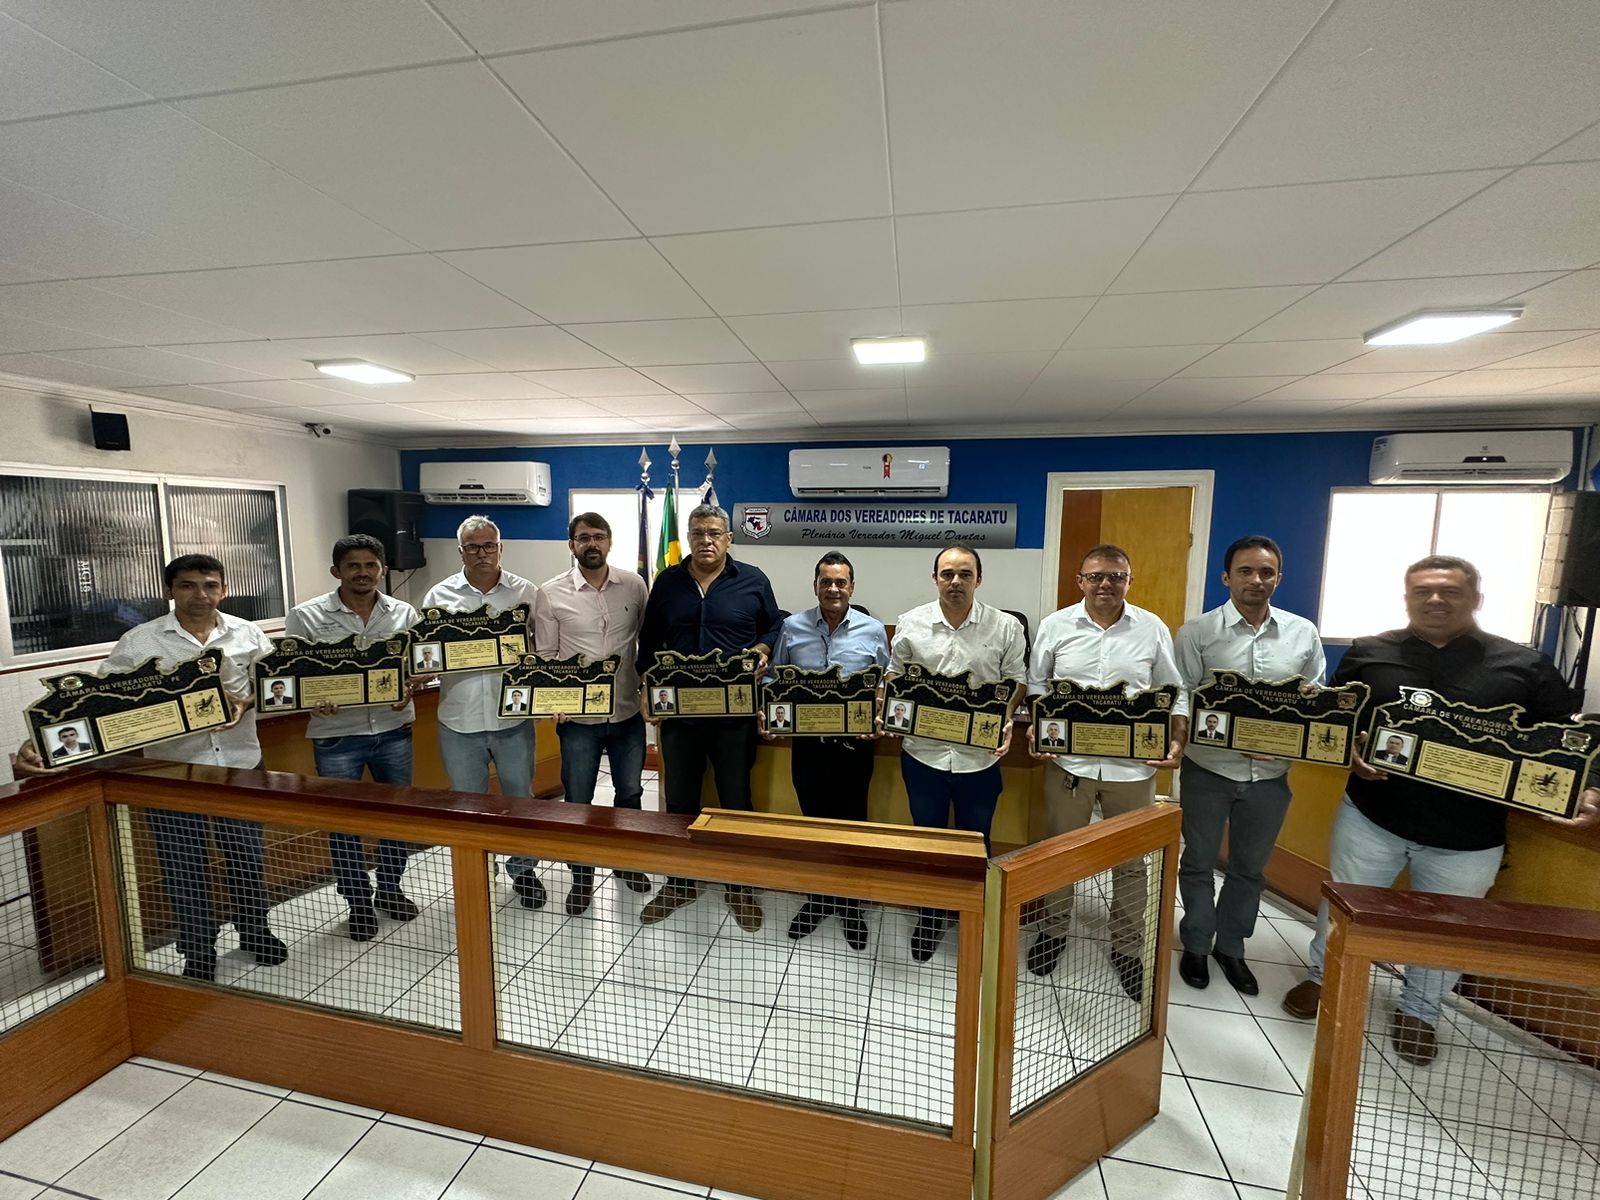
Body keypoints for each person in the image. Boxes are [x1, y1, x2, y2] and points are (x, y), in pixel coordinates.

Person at [1280, 556, 1600, 1066]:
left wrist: (1591, 787)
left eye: (1449, 591)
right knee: (1343, 903)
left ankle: (1421, 1011)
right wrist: (1351, 752)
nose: (1435, 600)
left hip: (1469, 834)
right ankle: (1324, 977)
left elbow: (1573, 738)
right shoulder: (1369, 652)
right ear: (1407, 598)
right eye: (1422, 591)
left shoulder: (1524, 666)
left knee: (1446, 927)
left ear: (1476, 599)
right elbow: (1340, 719)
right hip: (1372, 816)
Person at [14, 555, 287, 983]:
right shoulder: (140, 642)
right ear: (169, 591)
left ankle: (255, 932)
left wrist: (247, 701)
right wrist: (41, 741)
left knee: (246, 858)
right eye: (187, 585)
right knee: (183, 868)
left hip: (241, 764)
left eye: (209, 585)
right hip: (172, 774)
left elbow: (274, 681)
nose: (200, 595)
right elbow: (99, 703)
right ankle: (198, 950)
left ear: (224, 589)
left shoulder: (248, 633)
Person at [1025, 544, 1187, 998]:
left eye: (1116, 576)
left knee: (1132, 863)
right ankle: (1054, 930)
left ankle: (1127, 947)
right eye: (1096, 576)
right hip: (1069, 765)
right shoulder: (1056, 626)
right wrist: (1040, 728)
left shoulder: (1152, 628)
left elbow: (1173, 691)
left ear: (1129, 581)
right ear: (1080, 581)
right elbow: (1037, 686)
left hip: (1132, 770)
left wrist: (1178, 738)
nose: (1105, 584)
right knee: (1059, 853)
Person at [1174, 535, 1324, 996]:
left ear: (1278, 578)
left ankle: (1232, 947)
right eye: (1245, 571)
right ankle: (1196, 943)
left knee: (1249, 869)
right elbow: (1182, 694)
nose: (1255, 580)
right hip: (1208, 769)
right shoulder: (1197, 633)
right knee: (1198, 862)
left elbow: (1314, 701)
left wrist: (1285, 743)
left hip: (1271, 777)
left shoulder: (1303, 634)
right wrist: (1181, 737)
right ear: (1227, 577)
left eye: (1266, 572)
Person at [635, 504, 782, 931]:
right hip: (680, 716)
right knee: (679, 801)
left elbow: (774, 627)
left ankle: (740, 885)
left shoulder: (753, 580)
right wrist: (646, 689)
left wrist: (763, 649)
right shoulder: (667, 582)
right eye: (698, 532)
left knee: (736, 799)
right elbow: (649, 641)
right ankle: (681, 882)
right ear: (688, 536)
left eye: (714, 533)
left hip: (734, 715)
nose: (706, 540)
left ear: (729, 538)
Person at [887, 544, 1025, 961]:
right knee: (929, 841)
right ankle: (931, 915)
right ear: (935, 579)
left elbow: (1016, 680)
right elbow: (894, 676)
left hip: (979, 758)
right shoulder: (911, 623)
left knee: (976, 843)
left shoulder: (1005, 627)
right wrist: (891, 710)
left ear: (978, 579)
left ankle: (972, 915)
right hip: (923, 755)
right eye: (947, 574)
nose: (955, 582)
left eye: (965, 574)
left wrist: (1004, 717)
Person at [285, 534, 422, 942]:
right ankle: (358, 902)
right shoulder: (306, 616)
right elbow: (293, 674)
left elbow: (418, 665)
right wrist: (312, 697)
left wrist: (413, 683)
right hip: (336, 735)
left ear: (383, 569)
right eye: (353, 566)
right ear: (336, 571)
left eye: (370, 565)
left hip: (394, 730)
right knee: (343, 824)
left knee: (397, 818)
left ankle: (390, 889)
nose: (363, 573)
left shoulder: (404, 613)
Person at [766, 551, 889, 950]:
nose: (833, 589)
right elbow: (774, 679)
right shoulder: (792, 627)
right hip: (808, 747)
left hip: (854, 747)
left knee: (853, 823)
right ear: (815, 586)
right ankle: (819, 898)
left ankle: (851, 904)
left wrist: (879, 712)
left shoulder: (873, 630)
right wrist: (770, 711)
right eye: (826, 582)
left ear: (852, 587)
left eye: (840, 582)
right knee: (814, 822)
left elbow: (885, 684)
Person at [532, 511, 652, 916]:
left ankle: (626, 861)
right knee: (578, 798)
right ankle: (581, 875)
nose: (592, 544)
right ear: (572, 545)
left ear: (609, 542)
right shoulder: (551, 592)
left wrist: (649, 692)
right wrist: (555, 701)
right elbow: (546, 656)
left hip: (626, 712)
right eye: (583, 538)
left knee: (630, 793)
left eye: (599, 536)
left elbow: (646, 644)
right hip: (578, 721)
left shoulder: (634, 585)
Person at [423, 516, 545, 908]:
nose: (482, 553)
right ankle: (477, 872)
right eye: (473, 547)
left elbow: (543, 650)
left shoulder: (526, 593)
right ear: (461, 552)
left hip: (513, 718)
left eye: (489, 545)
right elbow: (426, 655)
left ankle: (523, 871)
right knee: (468, 805)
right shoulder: (439, 596)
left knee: (520, 801)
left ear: (500, 549)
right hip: (458, 720)